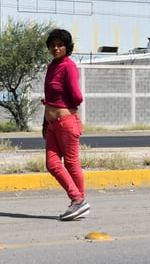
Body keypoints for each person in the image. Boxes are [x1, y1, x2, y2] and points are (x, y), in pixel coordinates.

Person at [41, 28, 90, 221]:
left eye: (60, 45)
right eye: (52, 45)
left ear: (67, 47)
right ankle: (79, 202)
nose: (56, 48)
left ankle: (78, 201)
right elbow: (48, 96)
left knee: (70, 163)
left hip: (66, 122)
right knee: (52, 164)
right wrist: (45, 123)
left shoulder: (68, 66)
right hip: (52, 124)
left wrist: (66, 107)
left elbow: (77, 96)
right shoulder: (51, 66)